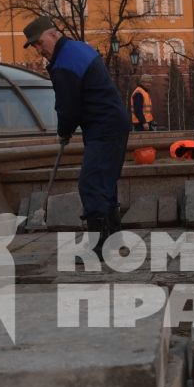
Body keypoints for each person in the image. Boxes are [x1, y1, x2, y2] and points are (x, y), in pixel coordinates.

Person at [24, 15, 129, 239]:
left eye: (40, 43)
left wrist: (64, 130)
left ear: (53, 34)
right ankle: (113, 238)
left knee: (91, 184)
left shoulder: (64, 63)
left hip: (103, 126)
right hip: (113, 123)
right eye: (34, 46)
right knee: (105, 182)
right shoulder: (79, 48)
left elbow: (68, 106)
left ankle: (98, 244)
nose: (38, 50)